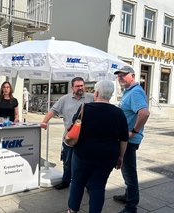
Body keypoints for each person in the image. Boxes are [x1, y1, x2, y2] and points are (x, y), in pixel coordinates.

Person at [67, 80, 129, 213]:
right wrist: (121, 157)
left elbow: (74, 126)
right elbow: (124, 139)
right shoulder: (119, 113)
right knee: (98, 187)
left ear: (96, 93)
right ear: (110, 95)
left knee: (77, 182)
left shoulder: (85, 108)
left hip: (83, 154)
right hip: (107, 156)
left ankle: (72, 210)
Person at [40, 77, 94, 190]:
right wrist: (45, 121)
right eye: (77, 86)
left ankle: (88, 184)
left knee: (87, 162)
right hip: (69, 137)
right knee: (67, 161)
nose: (80, 88)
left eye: (82, 85)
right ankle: (66, 181)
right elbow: (53, 110)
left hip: (86, 138)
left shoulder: (92, 97)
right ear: (72, 88)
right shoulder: (65, 99)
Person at [113, 66, 150, 213]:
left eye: (123, 75)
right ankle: (128, 196)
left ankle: (131, 206)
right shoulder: (128, 91)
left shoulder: (135, 92)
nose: (120, 77)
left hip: (129, 140)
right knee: (126, 170)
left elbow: (144, 113)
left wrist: (133, 132)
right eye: (119, 76)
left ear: (132, 76)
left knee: (129, 173)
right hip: (125, 139)